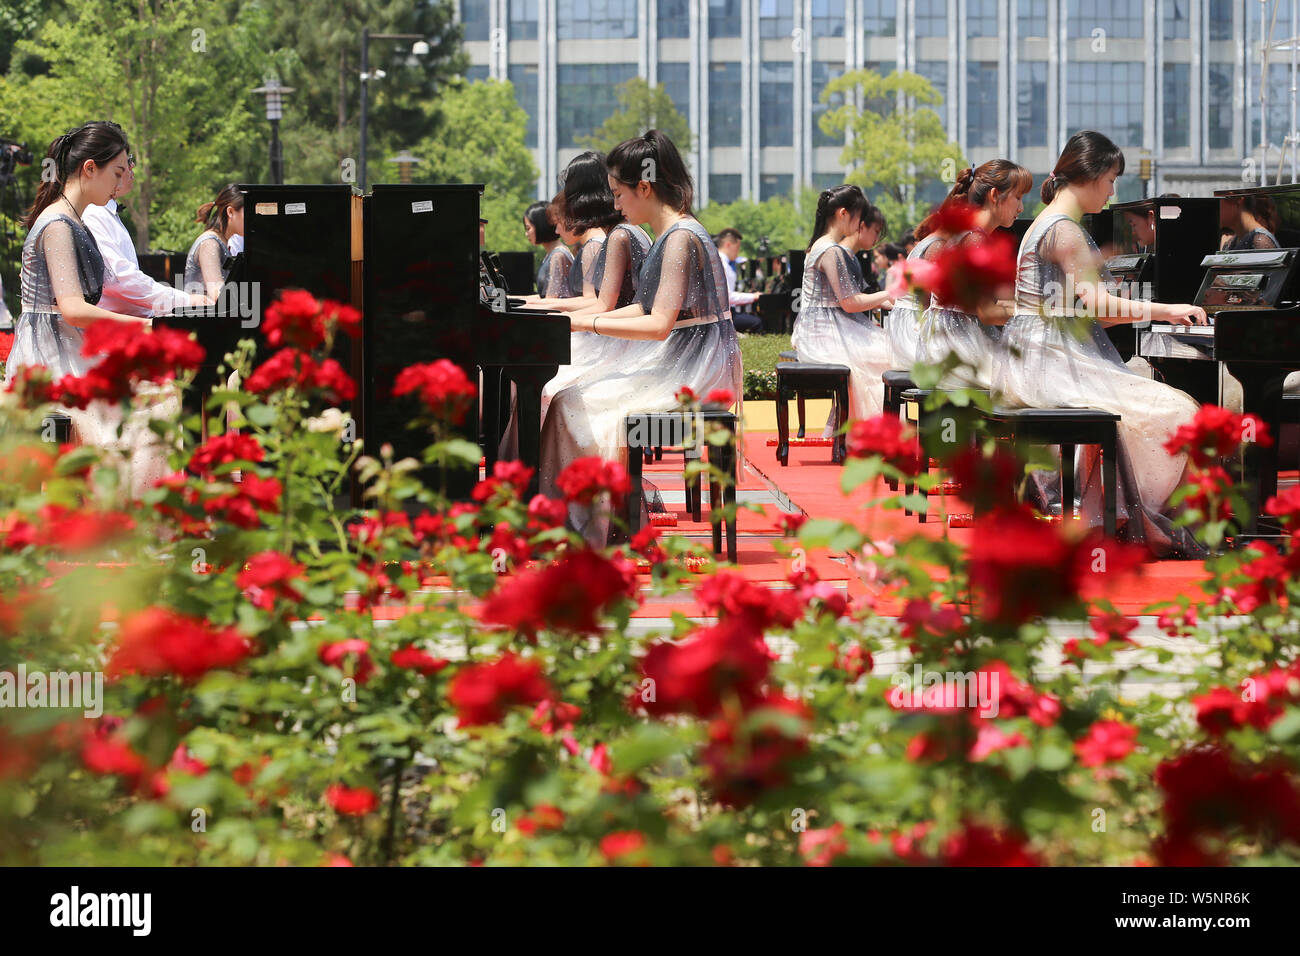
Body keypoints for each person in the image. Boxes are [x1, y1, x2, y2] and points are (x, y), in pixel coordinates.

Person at [997, 130, 1208, 558]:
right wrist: (1166, 310)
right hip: (1049, 364)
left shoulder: (1047, 224)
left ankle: (1112, 516)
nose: (1113, 191)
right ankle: (1132, 520)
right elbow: (1096, 303)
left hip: (1036, 358)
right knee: (1179, 410)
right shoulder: (1064, 230)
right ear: (1091, 175)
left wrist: (1153, 309)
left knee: (1155, 404)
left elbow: (1100, 312)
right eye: (1111, 179)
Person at [538, 130, 743, 546]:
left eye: (618, 194)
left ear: (644, 188)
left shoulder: (681, 236)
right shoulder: (672, 233)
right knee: (567, 398)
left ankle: (593, 526)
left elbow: (658, 325)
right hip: (686, 358)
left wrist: (588, 324)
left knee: (574, 404)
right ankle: (591, 520)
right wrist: (580, 319)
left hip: (696, 368)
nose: (614, 205)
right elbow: (645, 310)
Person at [6, 122, 175, 493]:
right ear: (89, 169)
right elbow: (73, 309)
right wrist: (143, 326)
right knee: (153, 410)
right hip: (52, 359)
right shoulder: (58, 223)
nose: (120, 182)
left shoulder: (72, 219)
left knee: (159, 398)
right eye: (116, 172)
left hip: (69, 348)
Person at [915, 160, 1032, 389]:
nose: (1021, 208)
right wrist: (1038, 311)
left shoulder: (967, 234)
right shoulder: (975, 238)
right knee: (1032, 381)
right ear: (995, 195)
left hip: (945, 342)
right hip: (958, 347)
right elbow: (988, 312)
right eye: (1018, 197)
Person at [791, 185, 895, 423]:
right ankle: (871, 431)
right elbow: (849, 303)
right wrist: (887, 295)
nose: (859, 224)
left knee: (883, 355)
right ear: (843, 213)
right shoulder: (831, 250)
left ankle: (858, 429)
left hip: (821, 329)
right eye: (859, 217)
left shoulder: (823, 246)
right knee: (887, 356)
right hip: (823, 335)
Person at [83, 149, 208, 317]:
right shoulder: (94, 213)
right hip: (111, 331)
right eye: (126, 162)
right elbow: (119, 280)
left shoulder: (106, 213)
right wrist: (185, 300)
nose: (132, 165)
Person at [184, 184, 244, 301]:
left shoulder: (221, 241)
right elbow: (217, 294)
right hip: (199, 318)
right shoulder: (210, 243)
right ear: (230, 212)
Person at [715, 227, 762, 332]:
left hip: (720, 312)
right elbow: (728, 297)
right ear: (728, 245)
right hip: (724, 314)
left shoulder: (717, 260)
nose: (738, 252)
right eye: (737, 248)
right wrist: (754, 297)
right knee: (757, 322)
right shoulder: (722, 264)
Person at [524, 200, 572, 297]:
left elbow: (551, 298)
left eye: (528, 228)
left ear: (540, 225)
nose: (526, 234)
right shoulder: (552, 254)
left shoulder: (558, 256)